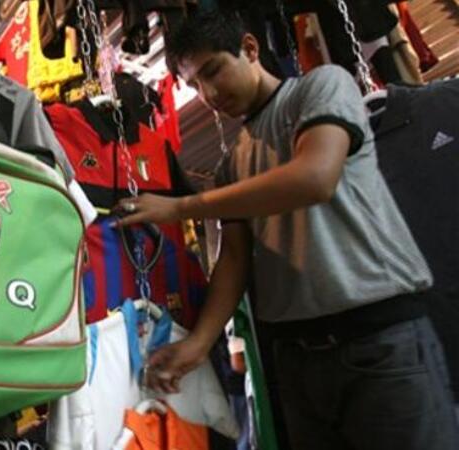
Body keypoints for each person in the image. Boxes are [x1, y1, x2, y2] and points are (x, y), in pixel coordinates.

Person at [116, 8, 458, 450]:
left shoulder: (322, 87)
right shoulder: (230, 165)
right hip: (297, 358)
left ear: (250, 48)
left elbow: (314, 177)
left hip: (379, 340)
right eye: (195, 85)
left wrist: (182, 207)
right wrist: (198, 343)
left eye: (213, 71)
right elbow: (234, 259)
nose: (209, 94)